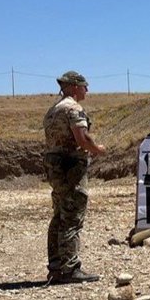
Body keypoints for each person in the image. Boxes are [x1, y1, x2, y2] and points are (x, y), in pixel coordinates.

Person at [42, 71, 107, 284]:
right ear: (74, 87)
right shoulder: (73, 108)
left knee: (59, 214)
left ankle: (56, 265)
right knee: (71, 215)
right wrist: (96, 149)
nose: (87, 90)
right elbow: (82, 137)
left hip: (55, 164)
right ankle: (70, 268)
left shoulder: (53, 110)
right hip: (70, 166)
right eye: (84, 86)